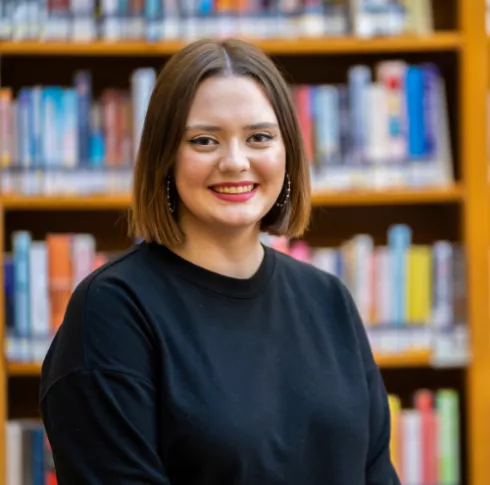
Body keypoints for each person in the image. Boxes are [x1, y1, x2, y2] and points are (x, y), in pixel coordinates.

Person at [39, 37, 401, 485]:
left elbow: (376, 473)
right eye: (204, 140)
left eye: (259, 137)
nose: (235, 161)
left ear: (286, 152)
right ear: (164, 158)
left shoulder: (328, 299)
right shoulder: (112, 311)